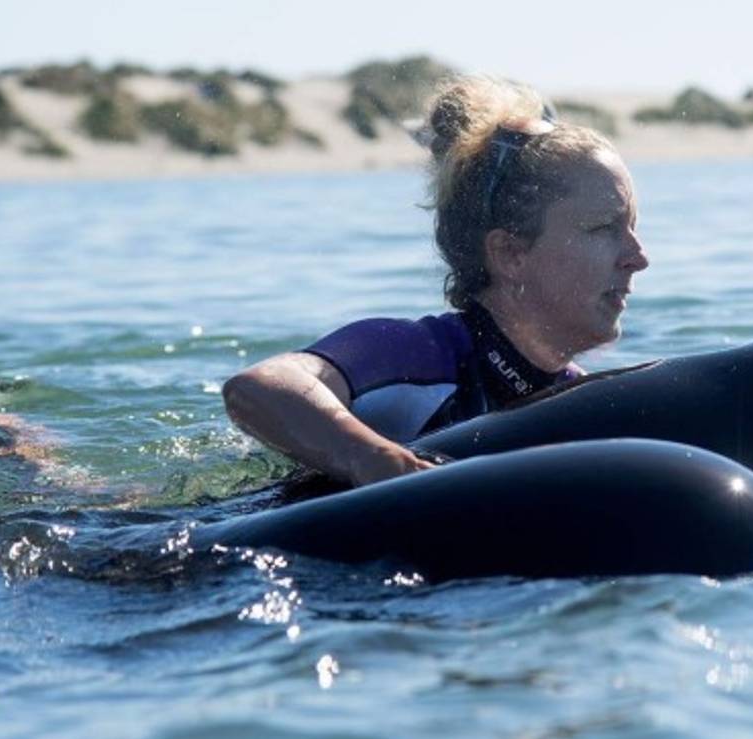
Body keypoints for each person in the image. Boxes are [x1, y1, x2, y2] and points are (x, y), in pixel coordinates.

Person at [223, 76, 649, 486]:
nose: (638, 258)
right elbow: (259, 388)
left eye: (632, 227)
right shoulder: (419, 355)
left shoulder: (578, 397)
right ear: (510, 254)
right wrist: (371, 458)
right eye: (604, 229)